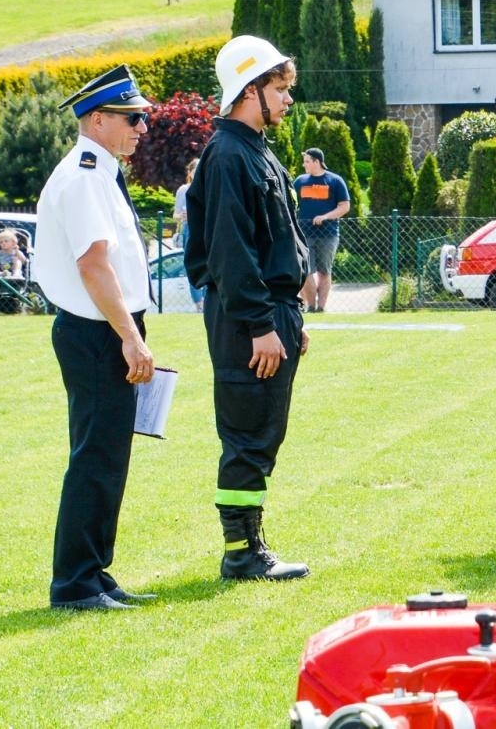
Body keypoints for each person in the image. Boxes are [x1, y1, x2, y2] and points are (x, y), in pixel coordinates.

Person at [185, 35, 312, 581]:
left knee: (264, 429)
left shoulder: (255, 149)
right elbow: (230, 251)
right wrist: (262, 324)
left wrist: (290, 318)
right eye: (280, 89)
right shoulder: (229, 154)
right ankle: (241, 551)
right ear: (249, 89)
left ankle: (250, 543)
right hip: (247, 319)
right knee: (247, 432)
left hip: (271, 313)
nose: (287, 99)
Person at [34, 65, 158, 611]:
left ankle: (94, 571)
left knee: (108, 454)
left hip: (105, 328)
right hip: (98, 331)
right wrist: (130, 338)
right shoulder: (85, 174)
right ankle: (76, 583)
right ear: (98, 120)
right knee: (96, 457)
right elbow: (94, 266)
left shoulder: (99, 171)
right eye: (133, 118)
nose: (142, 128)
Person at [293, 148, 351, 313]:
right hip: (304, 234)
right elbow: (290, 203)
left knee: (324, 271)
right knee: (307, 271)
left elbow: (344, 206)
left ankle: (321, 308)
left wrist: (326, 217)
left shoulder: (335, 181)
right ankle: (311, 306)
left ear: (317, 162)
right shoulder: (300, 182)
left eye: (307, 161)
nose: (304, 165)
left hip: (329, 234)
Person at [174, 159, 205, 311]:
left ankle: (207, 299)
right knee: (192, 265)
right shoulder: (184, 190)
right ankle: (199, 303)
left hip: (205, 227)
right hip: (189, 228)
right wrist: (183, 215)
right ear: (190, 172)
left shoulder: (206, 187)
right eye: (195, 170)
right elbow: (176, 214)